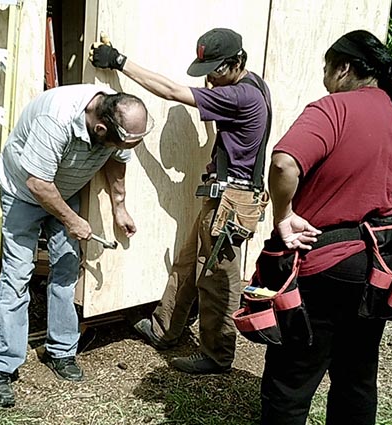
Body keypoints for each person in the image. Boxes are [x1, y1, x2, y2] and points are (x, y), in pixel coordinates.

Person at [261, 30, 392, 424]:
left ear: (344, 68)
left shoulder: (333, 109)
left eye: (326, 69)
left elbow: (285, 162)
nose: (324, 79)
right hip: (379, 271)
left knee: (291, 380)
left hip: (325, 265)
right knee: (356, 378)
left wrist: (282, 217)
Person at [89, 28, 271, 374]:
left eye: (217, 72)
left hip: (230, 205)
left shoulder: (238, 98)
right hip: (223, 201)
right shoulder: (253, 85)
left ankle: (217, 355)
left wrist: (120, 62)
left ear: (238, 62)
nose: (212, 82)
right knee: (188, 264)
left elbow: (172, 91)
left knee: (217, 281)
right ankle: (164, 328)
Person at [0, 84, 153, 408]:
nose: (128, 148)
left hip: (62, 188)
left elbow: (117, 159)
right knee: (17, 275)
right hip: (24, 192)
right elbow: (37, 183)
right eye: (124, 142)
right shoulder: (55, 118)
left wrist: (119, 207)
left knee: (67, 267)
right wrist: (72, 220)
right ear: (100, 128)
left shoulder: (116, 115)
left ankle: (61, 350)